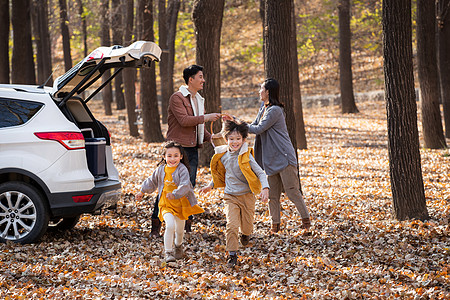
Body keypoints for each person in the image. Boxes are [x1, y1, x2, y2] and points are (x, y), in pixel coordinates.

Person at [150, 64, 221, 236]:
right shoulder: (178, 98)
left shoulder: (199, 100)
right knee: (166, 185)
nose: (203, 80)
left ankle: (185, 224)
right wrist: (206, 117)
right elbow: (184, 120)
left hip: (192, 150)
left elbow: (198, 128)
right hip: (176, 150)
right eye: (200, 77)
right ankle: (156, 225)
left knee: (187, 187)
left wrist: (212, 138)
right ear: (191, 79)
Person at [200, 119, 269, 267]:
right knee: (231, 225)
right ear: (226, 140)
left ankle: (245, 235)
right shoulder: (223, 155)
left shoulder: (246, 156)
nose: (235, 142)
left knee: (247, 226)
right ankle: (232, 254)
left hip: (246, 196)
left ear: (244, 140)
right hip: (230, 196)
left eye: (238, 139)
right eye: (231, 139)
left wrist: (265, 188)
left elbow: (261, 173)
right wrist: (210, 186)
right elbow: (222, 175)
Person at [247, 78, 311, 233]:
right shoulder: (264, 107)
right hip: (271, 159)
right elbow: (254, 124)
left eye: (261, 89)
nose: (259, 92)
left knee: (292, 192)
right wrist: (237, 124)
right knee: (272, 196)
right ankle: (275, 227)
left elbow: (258, 129)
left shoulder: (274, 110)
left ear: (268, 91)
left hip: (284, 157)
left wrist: (237, 124)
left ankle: (307, 224)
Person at [136, 141, 204, 263]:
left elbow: (185, 185)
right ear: (164, 156)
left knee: (179, 229)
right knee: (170, 225)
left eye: (176, 156)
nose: (172, 159)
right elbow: (151, 181)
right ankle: (168, 253)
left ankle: (178, 246)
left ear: (181, 156)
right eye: (169, 156)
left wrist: (175, 194)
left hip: (180, 204)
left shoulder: (182, 169)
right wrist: (142, 191)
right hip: (165, 204)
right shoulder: (161, 169)